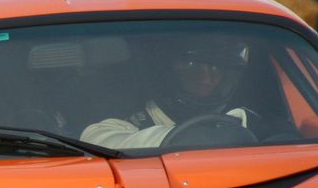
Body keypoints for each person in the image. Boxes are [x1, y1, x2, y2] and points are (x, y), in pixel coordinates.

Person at [81, 37, 258, 149]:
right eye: (192, 66)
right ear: (165, 70)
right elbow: (97, 146)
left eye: (217, 68)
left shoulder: (252, 122)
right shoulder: (106, 132)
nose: (207, 79)